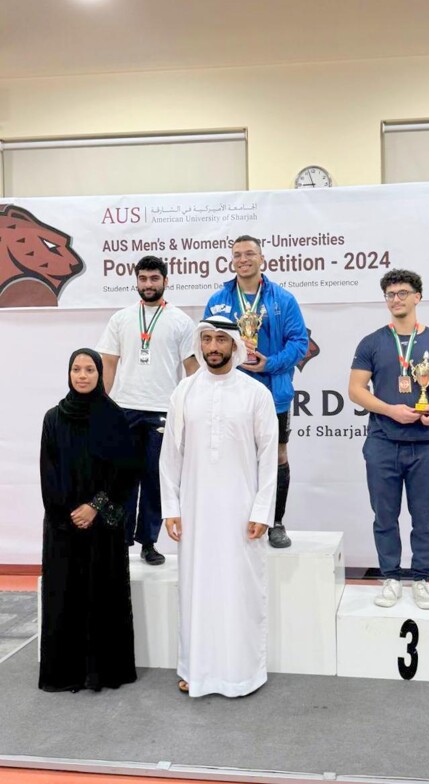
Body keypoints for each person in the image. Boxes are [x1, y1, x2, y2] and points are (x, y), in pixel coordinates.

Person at [159, 317, 278, 697]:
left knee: (238, 590)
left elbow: (268, 456)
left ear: (234, 346)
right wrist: (171, 506)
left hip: (241, 514)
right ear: (200, 344)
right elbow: (169, 457)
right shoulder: (184, 392)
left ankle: (242, 673)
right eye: (207, 339)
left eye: (220, 340)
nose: (213, 346)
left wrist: (262, 510)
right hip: (194, 511)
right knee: (197, 590)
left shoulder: (255, 393)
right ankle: (196, 669)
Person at [349, 269, 429, 610]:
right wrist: (390, 410)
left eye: (402, 293)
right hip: (383, 440)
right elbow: (355, 390)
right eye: (390, 294)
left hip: (425, 443)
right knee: (384, 515)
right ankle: (391, 578)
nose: (395, 299)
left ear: (418, 297)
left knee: (424, 515)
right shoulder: (371, 342)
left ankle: (422, 578)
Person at [39, 349, 138, 692]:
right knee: (65, 593)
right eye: (76, 369)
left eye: (89, 369)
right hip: (65, 527)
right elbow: (48, 473)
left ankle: (103, 671)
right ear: (69, 374)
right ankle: (66, 672)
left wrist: (95, 507)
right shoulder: (53, 418)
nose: (82, 375)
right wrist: (69, 514)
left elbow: (125, 471)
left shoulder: (113, 417)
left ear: (100, 374)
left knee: (102, 594)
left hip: (103, 526)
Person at [204, 235, 308, 548]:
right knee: (231, 455)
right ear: (231, 260)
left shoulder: (283, 299)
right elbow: (208, 341)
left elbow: (299, 342)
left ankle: (275, 521)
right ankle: (233, 518)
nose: (243, 259)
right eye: (237, 255)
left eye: (250, 254)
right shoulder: (219, 300)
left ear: (262, 259)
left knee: (276, 455)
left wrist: (269, 364)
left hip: (273, 391)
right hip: (230, 391)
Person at [97, 256, 198, 565]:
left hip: (162, 412)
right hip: (124, 409)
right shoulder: (121, 318)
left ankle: (149, 542)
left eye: (154, 278)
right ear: (136, 281)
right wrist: (101, 407)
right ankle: (120, 540)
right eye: (143, 278)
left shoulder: (181, 321)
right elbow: (109, 364)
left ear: (166, 281)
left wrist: (190, 410)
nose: (148, 284)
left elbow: (192, 369)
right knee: (121, 480)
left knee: (156, 480)